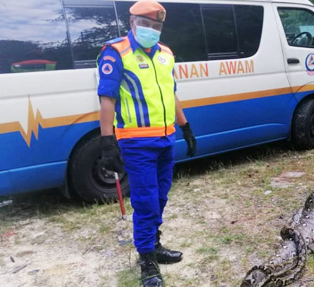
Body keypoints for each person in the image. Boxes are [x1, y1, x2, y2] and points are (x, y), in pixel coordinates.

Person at [96, 1, 196, 286]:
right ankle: (147, 263)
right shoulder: (116, 53)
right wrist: (107, 143)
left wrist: (186, 127)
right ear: (132, 22)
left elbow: (172, 93)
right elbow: (107, 99)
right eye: (146, 24)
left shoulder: (166, 54)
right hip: (136, 143)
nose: (151, 30)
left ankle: (154, 244)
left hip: (166, 139)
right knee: (146, 201)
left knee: (161, 196)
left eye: (157, 26)